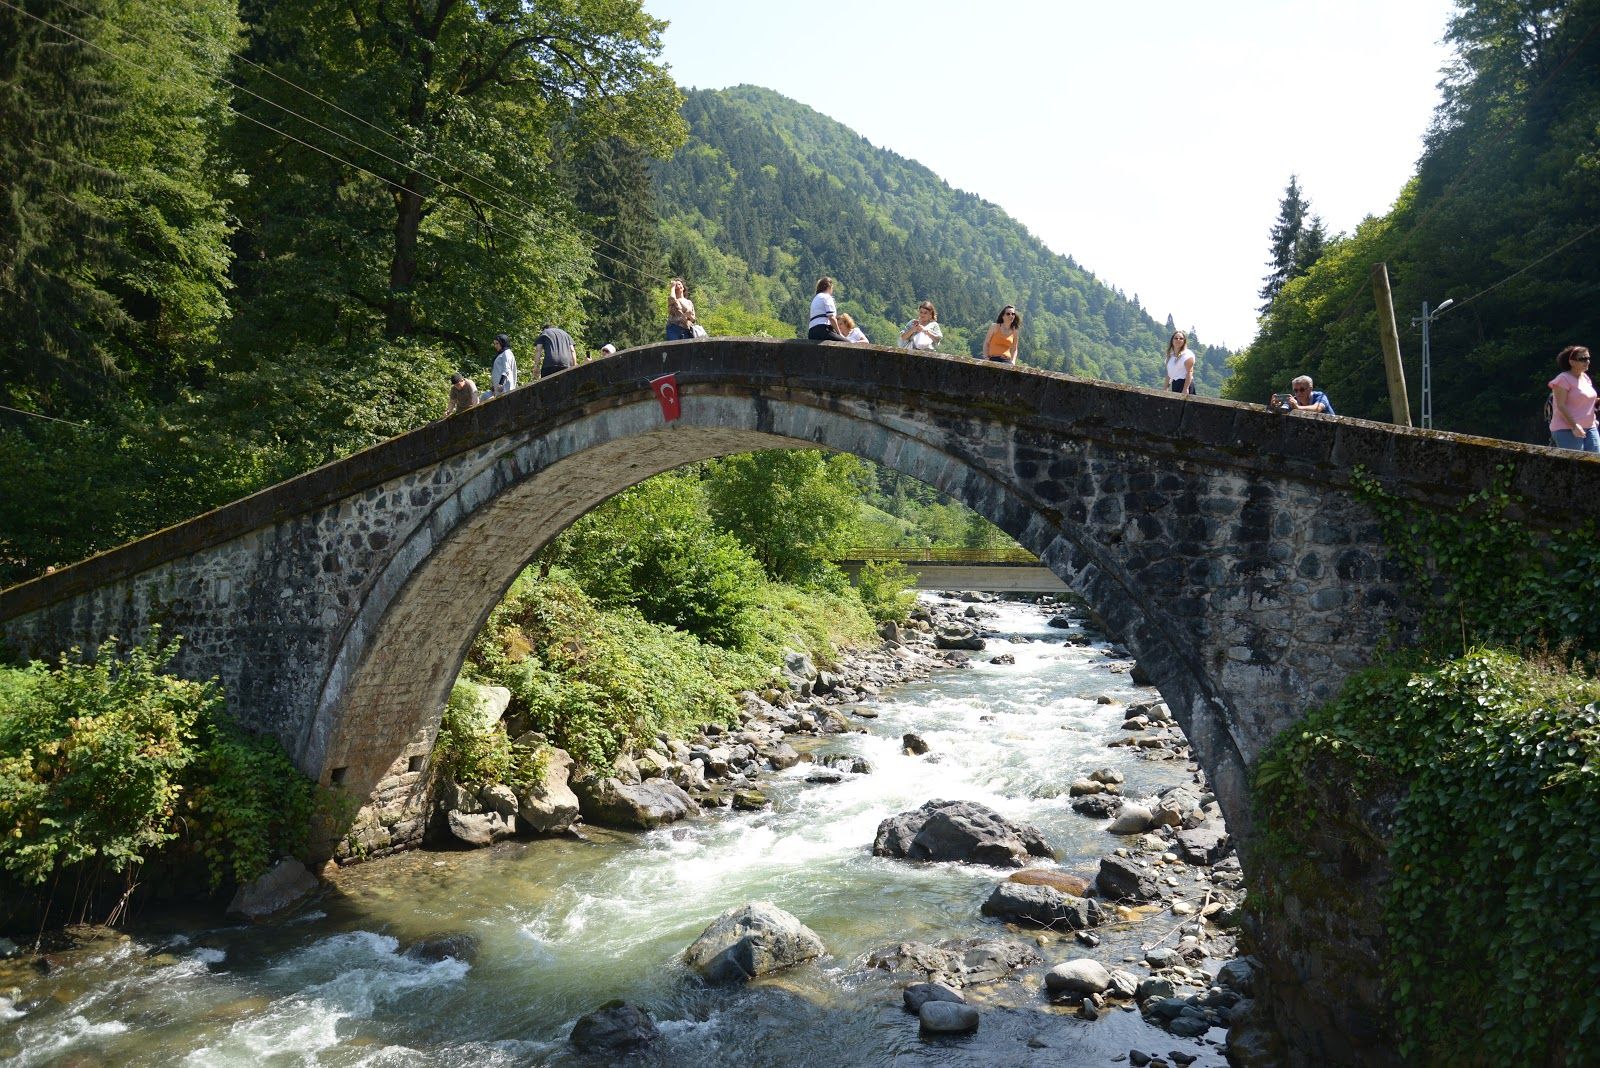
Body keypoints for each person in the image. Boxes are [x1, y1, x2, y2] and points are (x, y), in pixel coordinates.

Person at [1549, 344, 1598, 452]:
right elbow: (1561, 405)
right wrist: (1574, 426)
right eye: (1583, 359)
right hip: (1566, 429)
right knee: (1576, 462)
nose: (1587, 361)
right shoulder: (1563, 379)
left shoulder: (1585, 378)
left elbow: (1585, 400)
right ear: (1571, 362)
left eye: (1588, 358)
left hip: (1590, 427)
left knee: (1595, 460)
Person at [808, 276, 850, 341]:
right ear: (829, 287)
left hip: (811, 332)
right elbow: (831, 318)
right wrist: (839, 334)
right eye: (832, 288)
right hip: (823, 330)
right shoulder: (826, 297)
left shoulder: (815, 299)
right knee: (847, 343)